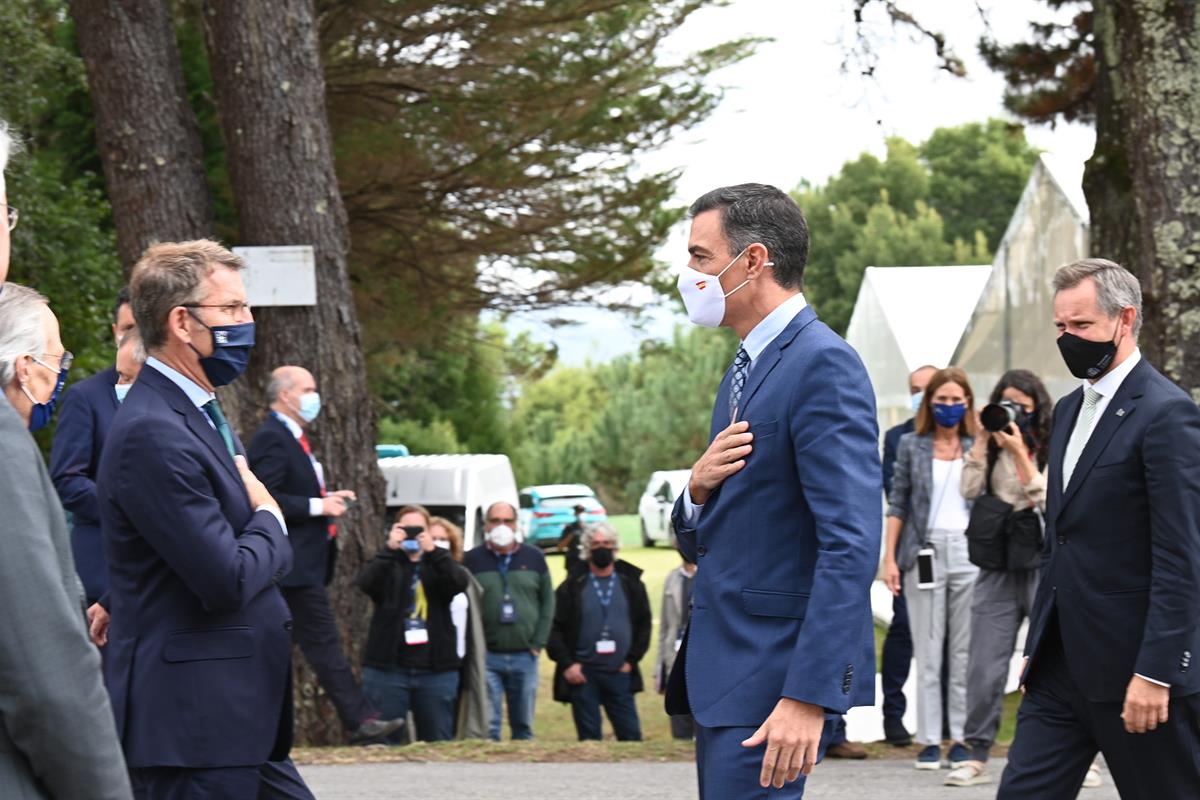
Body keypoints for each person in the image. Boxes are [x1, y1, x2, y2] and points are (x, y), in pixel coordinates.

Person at [666, 184, 881, 798]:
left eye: (701, 257)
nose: (691, 274)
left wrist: (809, 697)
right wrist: (697, 491)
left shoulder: (821, 364)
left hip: (771, 683)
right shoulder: (747, 366)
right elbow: (712, 537)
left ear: (753, 261)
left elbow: (850, 543)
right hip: (724, 673)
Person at [97, 240, 312, 798]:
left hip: (232, 722)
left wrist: (123, 594)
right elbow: (226, 577)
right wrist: (271, 519)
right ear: (182, 322)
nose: (248, 321)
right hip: (195, 727)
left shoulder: (195, 411)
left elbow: (171, 538)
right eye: (232, 309)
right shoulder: (153, 430)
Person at [998, 259, 1200, 798]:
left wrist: (1158, 671)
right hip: (1058, 670)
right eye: (1061, 327)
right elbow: (1058, 540)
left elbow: (1181, 557)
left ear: (1124, 319)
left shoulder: (1167, 415)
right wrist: (1037, 643)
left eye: (1081, 326)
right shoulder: (1066, 411)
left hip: (1135, 670)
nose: (1068, 339)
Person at [0, 260, 133, 794]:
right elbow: (45, 678)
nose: (61, 373)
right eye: (58, 358)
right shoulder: (7, 449)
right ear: (25, 366)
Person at [248, 365, 403, 744]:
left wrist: (327, 501)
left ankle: (353, 721)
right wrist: (320, 507)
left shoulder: (294, 438)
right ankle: (360, 721)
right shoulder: (272, 438)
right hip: (291, 567)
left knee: (301, 648)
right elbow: (264, 497)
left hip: (303, 566)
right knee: (321, 646)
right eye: (308, 389)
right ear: (285, 395)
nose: (315, 396)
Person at [942, 369, 1051, 787]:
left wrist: (1021, 453)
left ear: (1035, 408)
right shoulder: (987, 446)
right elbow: (968, 490)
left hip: (1042, 563)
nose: (1011, 412)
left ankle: (1081, 753)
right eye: (1005, 403)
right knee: (984, 666)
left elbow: (1047, 500)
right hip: (997, 565)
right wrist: (985, 441)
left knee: (1053, 663)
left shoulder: (1049, 444)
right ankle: (976, 752)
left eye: (1020, 406)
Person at [883, 366, 979, 770]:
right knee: (927, 645)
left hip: (970, 553)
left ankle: (958, 735)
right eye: (942, 401)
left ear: (968, 402)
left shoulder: (980, 444)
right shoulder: (911, 444)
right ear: (929, 403)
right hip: (922, 551)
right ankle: (926, 738)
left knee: (962, 650)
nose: (949, 407)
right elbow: (898, 502)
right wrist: (889, 557)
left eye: (957, 401)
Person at [49, 287, 138, 604]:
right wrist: (131, 511)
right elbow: (66, 479)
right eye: (128, 328)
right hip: (105, 564)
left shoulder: (181, 398)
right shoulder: (86, 397)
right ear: (115, 331)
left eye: (143, 327)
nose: (135, 336)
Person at [357, 505, 471, 742]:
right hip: (389, 669)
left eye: (417, 529)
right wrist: (389, 549)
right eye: (405, 528)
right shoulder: (388, 562)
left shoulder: (438, 563)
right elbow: (366, 583)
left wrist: (434, 551)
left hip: (435, 670)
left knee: (438, 741)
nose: (411, 534)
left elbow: (458, 582)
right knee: (384, 742)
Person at [878, 364, 938, 747]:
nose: (920, 395)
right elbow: (895, 492)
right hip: (912, 549)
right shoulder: (897, 438)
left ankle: (944, 721)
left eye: (927, 388)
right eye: (915, 388)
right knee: (903, 631)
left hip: (957, 550)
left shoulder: (967, 436)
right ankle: (894, 718)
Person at [549, 522, 652, 741]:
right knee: (589, 741)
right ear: (587, 548)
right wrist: (568, 665)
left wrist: (631, 661)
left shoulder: (631, 583)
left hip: (620, 672)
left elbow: (644, 625)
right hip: (584, 675)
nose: (601, 547)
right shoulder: (572, 586)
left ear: (615, 547)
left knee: (631, 738)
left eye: (606, 543)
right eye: (595, 543)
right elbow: (554, 629)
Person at [463, 501, 555, 741]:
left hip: (525, 654)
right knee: (488, 724)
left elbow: (547, 602)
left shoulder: (534, 557)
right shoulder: (472, 560)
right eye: (495, 521)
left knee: (523, 724)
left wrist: (538, 643)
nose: (501, 526)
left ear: (516, 524)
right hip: (487, 655)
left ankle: (525, 772)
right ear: (485, 526)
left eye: (507, 521)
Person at [428, 516, 490, 740]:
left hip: (460, 659)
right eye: (433, 538)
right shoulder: (419, 576)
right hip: (429, 662)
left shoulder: (462, 577)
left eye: (443, 539)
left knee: (458, 716)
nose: (438, 543)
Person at [656, 550, 697, 740]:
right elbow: (664, 627)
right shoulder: (672, 578)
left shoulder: (711, 575)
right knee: (679, 711)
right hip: (675, 653)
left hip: (702, 653)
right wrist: (660, 669)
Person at [555, 503, 588, 572]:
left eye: (581, 512)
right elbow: (560, 547)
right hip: (573, 560)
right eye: (578, 512)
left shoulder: (589, 528)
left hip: (586, 560)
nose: (579, 515)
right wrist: (571, 535)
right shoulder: (569, 528)